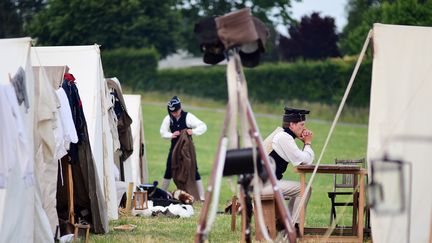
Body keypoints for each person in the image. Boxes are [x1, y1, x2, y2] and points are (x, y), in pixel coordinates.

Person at [262, 107, 314, 225]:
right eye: (301, 125)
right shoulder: (284, 137)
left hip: (264, 183)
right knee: (304, 188)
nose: (304, 128)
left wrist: (305, 143)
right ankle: (294, 226)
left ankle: (289, 224)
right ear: (292, 125)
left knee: (301, 188)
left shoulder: (283, 135)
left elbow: (303, 158)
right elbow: (305, 161)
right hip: (264, 185)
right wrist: (307, 143)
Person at [160, 96, 207, 201]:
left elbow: (203, 126)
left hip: (187, 149)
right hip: (174, 148)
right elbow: (162, 132)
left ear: (180, 108)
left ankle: (202, 197)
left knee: (194, 169)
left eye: (176, 111)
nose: (175, 114)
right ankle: (161, 193)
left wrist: (193, 131)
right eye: (172, 112)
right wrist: (171, 135)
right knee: (169, 169)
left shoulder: (188, 116)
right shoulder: (168, 118)